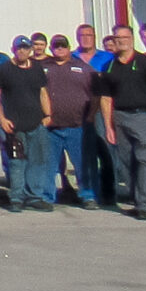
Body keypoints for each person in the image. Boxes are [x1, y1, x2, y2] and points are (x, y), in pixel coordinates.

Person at [96, 25, 146, 220]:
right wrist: (108, 126)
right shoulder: (109, 66)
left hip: (143, 117)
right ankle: (142, 200)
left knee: (145, 159)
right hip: (119, 117)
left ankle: (145, 204)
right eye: (117, 38)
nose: (121, 41)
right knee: (127, 163)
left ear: (131, 39)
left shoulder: (144, 63)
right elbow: (105, 98)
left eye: (124, 37)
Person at [0, 36, 54, 212]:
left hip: (36, 123)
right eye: (19, 48)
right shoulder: (4, 69)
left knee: (38, 161)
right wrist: (2, 118)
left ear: (30, 50)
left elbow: (42, 92)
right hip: (13, 125)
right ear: (13, 49)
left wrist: (48, 114)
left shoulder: (37, 69)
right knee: (17, 163)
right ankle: (16, 198)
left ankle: (34, 197)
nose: (22, 51)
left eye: (25, 48)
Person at [40, 35, 100, 208]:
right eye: (56, 47)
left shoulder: (83, 67)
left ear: (68, 48)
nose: (59, 49)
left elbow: (96, 94)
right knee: (48, 165)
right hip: (51, 127)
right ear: (50, 49)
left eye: (62, 46)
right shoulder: (43, 68)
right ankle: (46, 197)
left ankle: (88, 196)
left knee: (83, 163)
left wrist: (91, 115)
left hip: (78, 126)